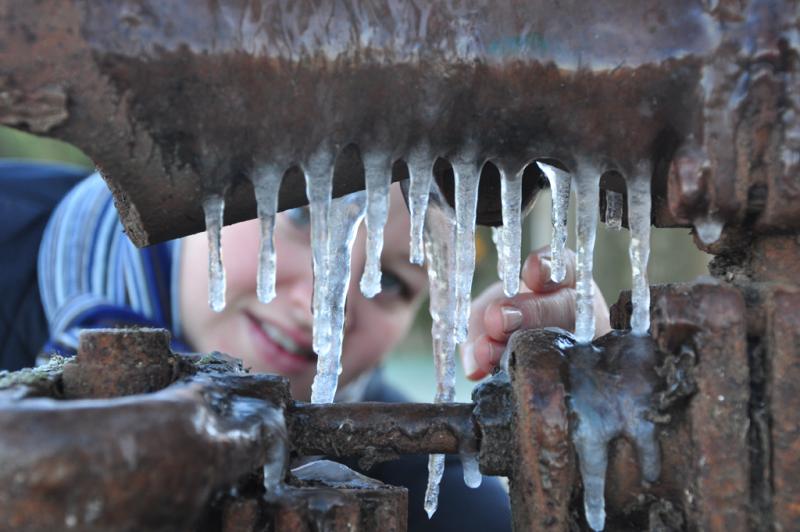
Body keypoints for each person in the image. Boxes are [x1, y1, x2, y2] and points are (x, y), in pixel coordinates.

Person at [1, 161, 611, 531]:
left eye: (392, 282)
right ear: (202, 178)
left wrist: (593, 438)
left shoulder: (410, 480)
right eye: (299, 218)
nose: (327, 305)